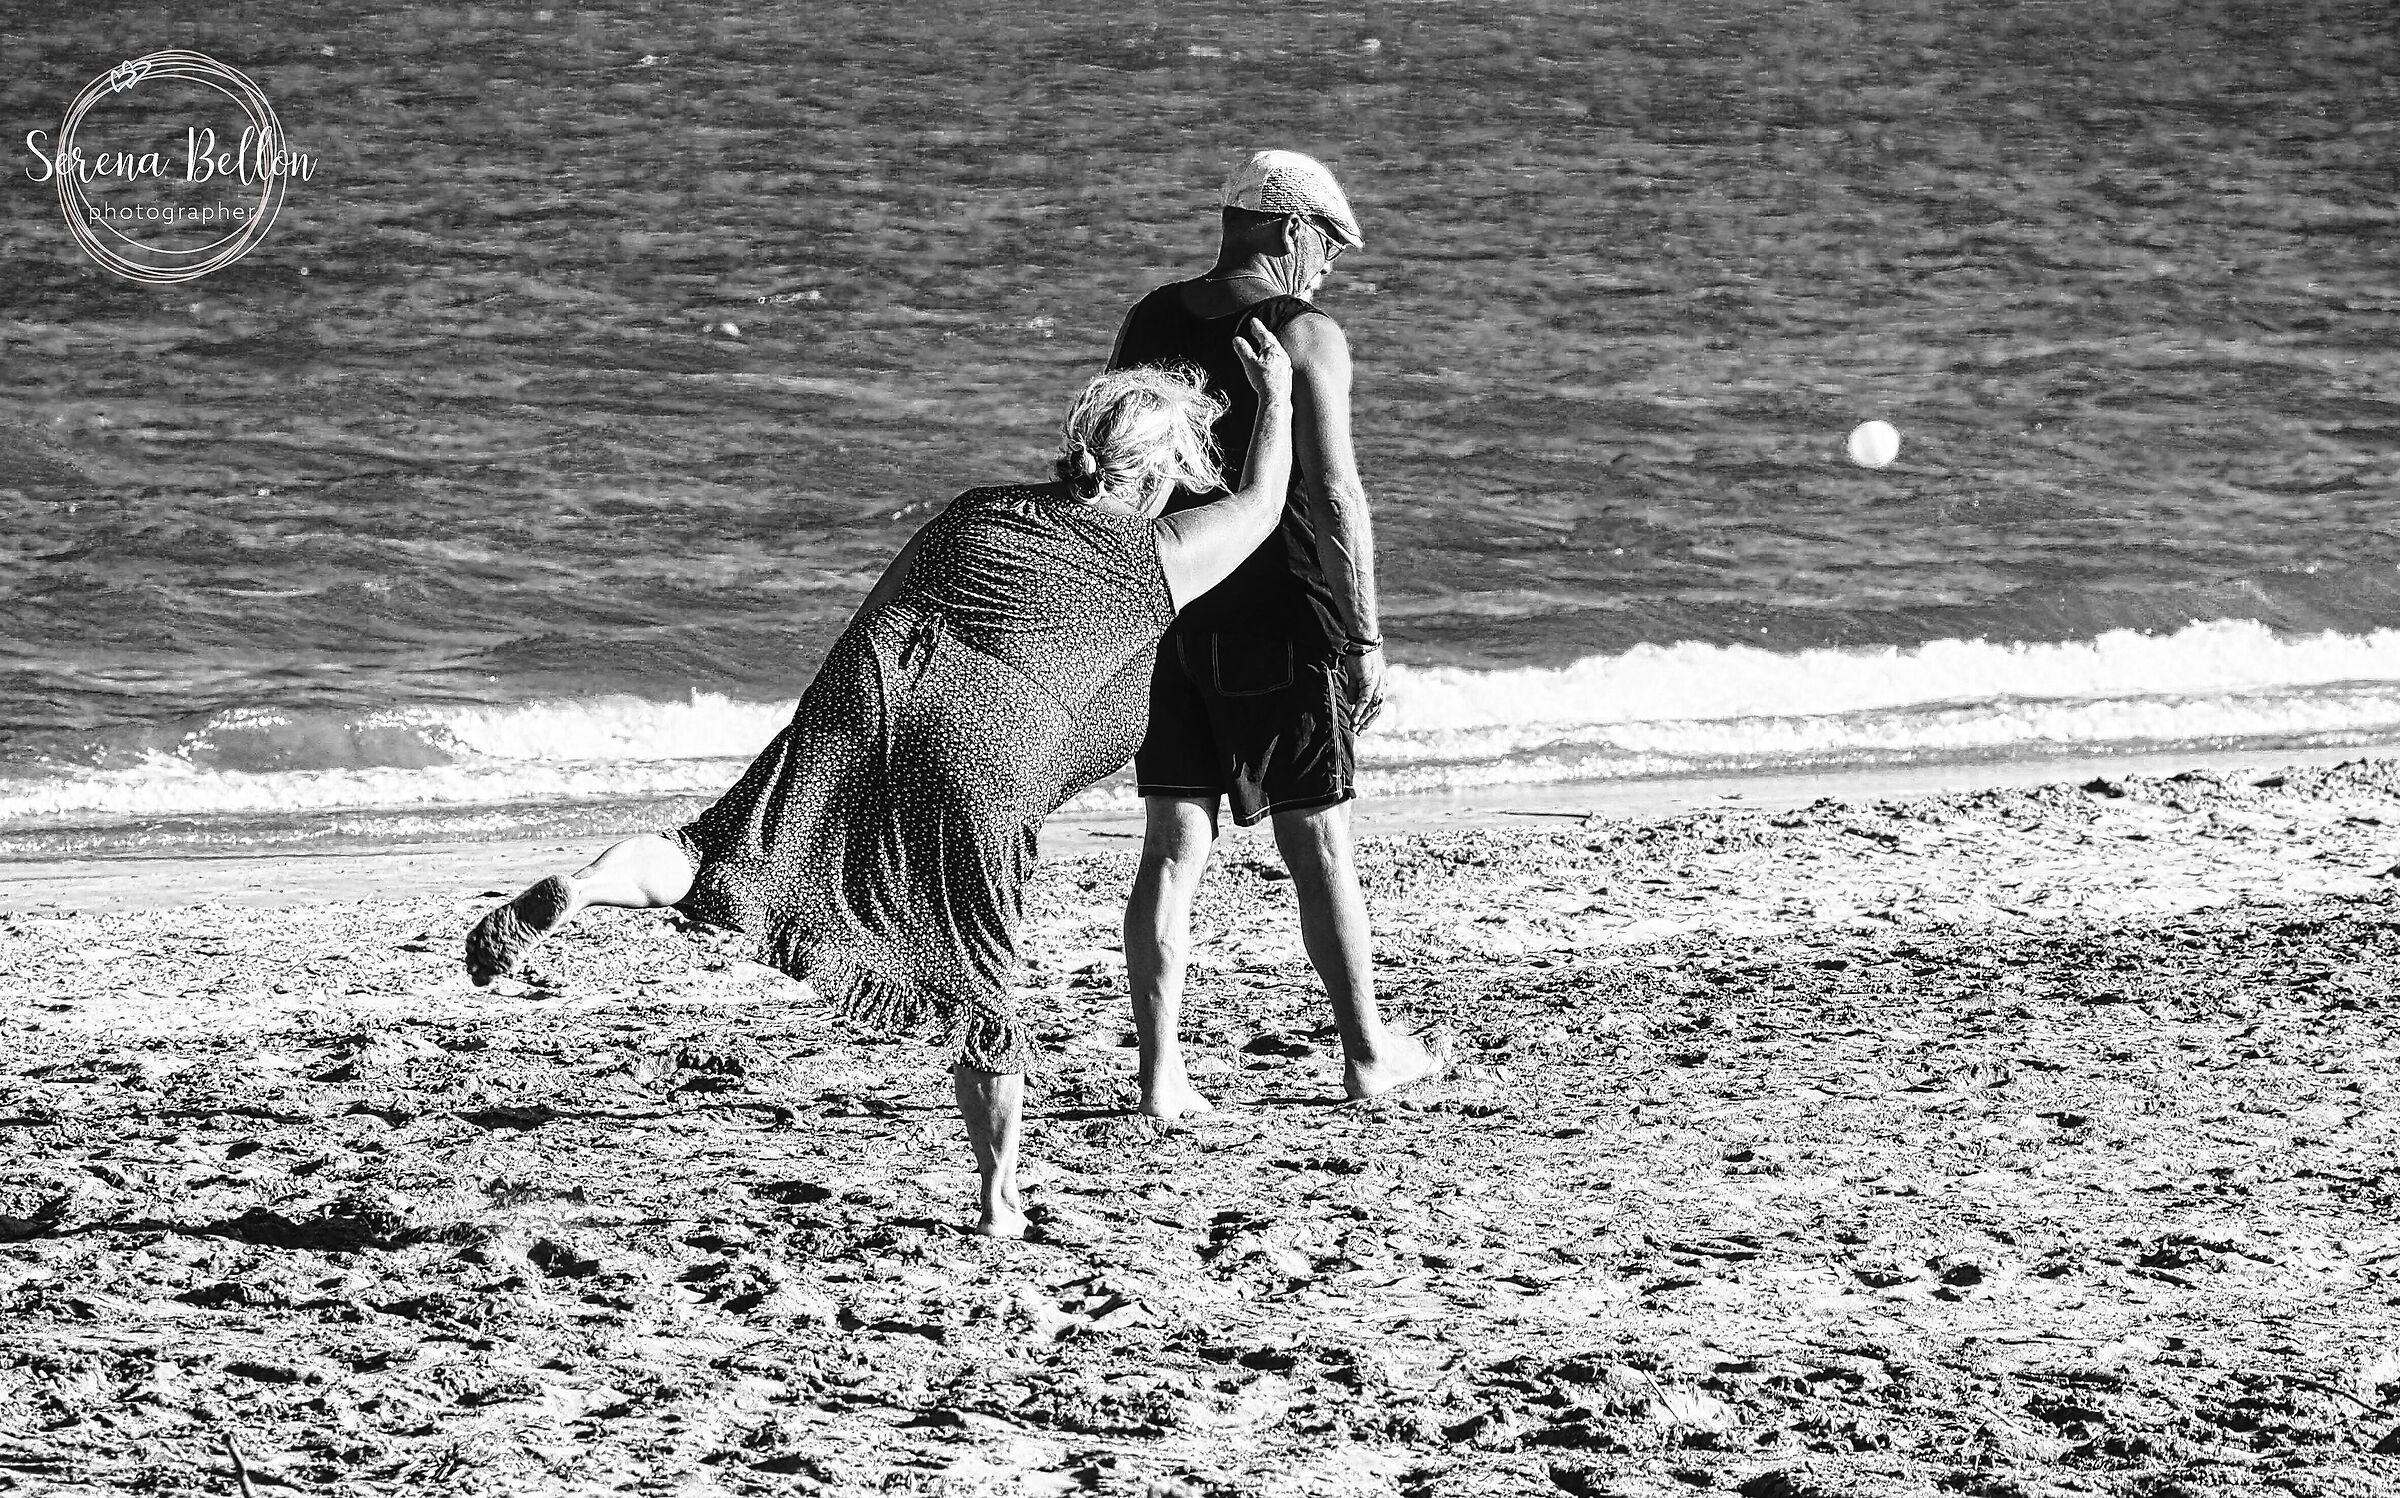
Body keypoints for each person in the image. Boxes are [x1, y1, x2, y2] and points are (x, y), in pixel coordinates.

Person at [464, 324, 1296, 1239]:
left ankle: (582, 890)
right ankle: (999, 1197)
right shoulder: (1156, 557)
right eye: (1177, 472)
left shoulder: (978, 509)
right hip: (987, 741)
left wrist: (829, 727)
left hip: (873, 688)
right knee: (982, 980)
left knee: (713, 851)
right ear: (1155, 472)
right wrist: (1281, 399)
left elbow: (884, 603)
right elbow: (1262, 504)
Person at [1109, 150, 1442, 1120]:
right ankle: (1368, 1052)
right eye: (1328, 241)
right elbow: (1335, 495)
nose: (1331, 263)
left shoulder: (1151, 320)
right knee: (1321, 842)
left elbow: (1121, 467)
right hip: (1285, 620)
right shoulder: (1306, 336)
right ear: (1288, 230)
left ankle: (1162, 1073)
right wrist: (1366, 636)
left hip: (1170, 600)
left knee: (1172, 842)